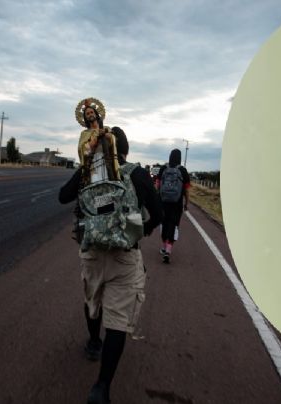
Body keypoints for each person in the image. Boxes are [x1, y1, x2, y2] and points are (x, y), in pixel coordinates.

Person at [60, 105, 162, 404]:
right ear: (125, 150)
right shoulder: (138, 175)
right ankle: (102, 387)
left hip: (92, 251)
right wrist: (138, 232)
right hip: (124, 254)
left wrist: (85, 166)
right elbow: (157, 214)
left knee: (93, 299)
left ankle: (93, 342)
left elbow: (62, 197)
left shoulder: (87, 174)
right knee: (117, 318)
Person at [156, 149, 190, 263]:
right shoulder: (183, 170)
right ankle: (169, 250)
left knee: (164, 224)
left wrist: (157, 198)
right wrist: (186, 203)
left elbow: (158, 185)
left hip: (163, 202)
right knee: (173, 224)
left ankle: (164, 247)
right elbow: (186, 189)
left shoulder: (163, 169)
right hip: (177, 203)